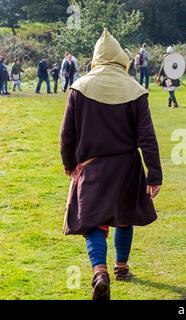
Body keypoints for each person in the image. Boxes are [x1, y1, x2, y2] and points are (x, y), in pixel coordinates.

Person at [60, 29, 163, 300]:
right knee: (124, 216)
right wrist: (154, 175)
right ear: (121, 58)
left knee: (93, 222)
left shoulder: (78, 88)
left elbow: (66, 134)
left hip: (92, 167)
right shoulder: (136, 90)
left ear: (96, 58)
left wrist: (69, 164)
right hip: (127, 167)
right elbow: (147, 138)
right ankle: (121, 267)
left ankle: (99, 271)